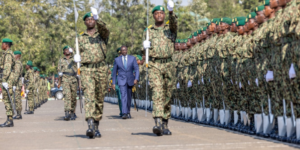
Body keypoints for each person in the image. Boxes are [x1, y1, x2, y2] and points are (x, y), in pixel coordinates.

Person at [73, 8, 110, 138]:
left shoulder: (102, 35)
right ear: (85, 23)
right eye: (87, 19)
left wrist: (97, 17)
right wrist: (76, 58)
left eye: (92, 19)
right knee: (89, 97)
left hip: (101, 69)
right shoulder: (80, 38)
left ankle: (96, 124)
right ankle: (89, 124)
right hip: (87, 69)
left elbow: (105, 29)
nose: (90, 21)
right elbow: (77, 54)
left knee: (99, 98)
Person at [142, 0, 177, 136]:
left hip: (169, 64)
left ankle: (165, 122)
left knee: (167, 95)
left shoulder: (170, 29)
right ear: (153, 16)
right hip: (155, 64)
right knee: (157, 93)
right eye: (157, 13)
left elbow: (174, 23)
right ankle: (157, 122)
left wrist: (171, 12)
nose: (159, 15)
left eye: (161, 13)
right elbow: (143, 51)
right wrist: (144, 45)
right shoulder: (148, 31)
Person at [112, 46, 139, 119]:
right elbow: (114, 72)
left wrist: (136, 78)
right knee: (123, 96)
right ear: (121, 51)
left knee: (129, 97)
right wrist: (113, 83)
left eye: (125, 50)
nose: (124, 51)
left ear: (127, 50)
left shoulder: (132, 58)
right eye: (122, 50)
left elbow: (136, 69)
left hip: (130, 80)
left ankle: (128, 112)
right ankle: (124, 113)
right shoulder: (117, 60)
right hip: (121, 80)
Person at [58, 46, 78, 121]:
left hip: (73, 79)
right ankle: (67, 113)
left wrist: (73, 51)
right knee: (67, 96)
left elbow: (78, 58)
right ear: (64, 52)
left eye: (68, 50)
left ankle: (72, 112)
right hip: (65, 78)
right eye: (66, 50)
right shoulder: (61, 60)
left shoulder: (74, 59)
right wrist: (59, 82)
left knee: (73, 97)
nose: (67, 51)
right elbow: (59, 71)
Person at [0, 38, 16, 127]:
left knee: (7, 100)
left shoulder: (8, 54)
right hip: (7, 79)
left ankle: (10, 121)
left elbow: (7, 67)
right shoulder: (6, 54)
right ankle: (9, 119)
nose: (1, 45)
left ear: (6, 45)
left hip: (7, 80)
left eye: (2, 44)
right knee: (7, 100)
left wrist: (4, 80)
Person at [12, 51, 23, 120]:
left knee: (17, 99)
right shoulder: (16, 63)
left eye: (14, 55)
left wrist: (14, 83)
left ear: (17, 56)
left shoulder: (18, 64)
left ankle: (19, 114)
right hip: (17, 83)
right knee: (16, 99)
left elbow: (16, 74)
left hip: (17, 84)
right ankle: (18, 113)